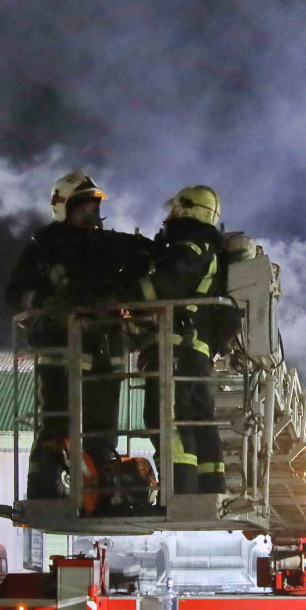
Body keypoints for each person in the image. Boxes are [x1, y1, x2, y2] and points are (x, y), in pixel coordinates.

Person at [7, 171, 153, 498]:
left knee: (102, 434)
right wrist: (47, 303)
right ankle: (45, 491)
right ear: (64, 208)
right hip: (60, 352)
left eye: (95, 208)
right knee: (56, 428)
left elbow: (147, 253)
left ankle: (102, 493)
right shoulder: (44, 245)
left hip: (105, 350)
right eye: (83, 208)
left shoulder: (110, 243)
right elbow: (15, 293)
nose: (92, 215)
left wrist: (119, 289)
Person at [134, 185, 228, 494]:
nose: (168, 216)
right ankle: (209, 487)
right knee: (197, 420)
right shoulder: (210, 247)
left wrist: (121, 294)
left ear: (188, 209)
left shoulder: (189, 244)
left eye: (174, 209)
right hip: (194, 350)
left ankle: (180, 492)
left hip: (174, 346)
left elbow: (163, 286)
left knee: (167, 419)